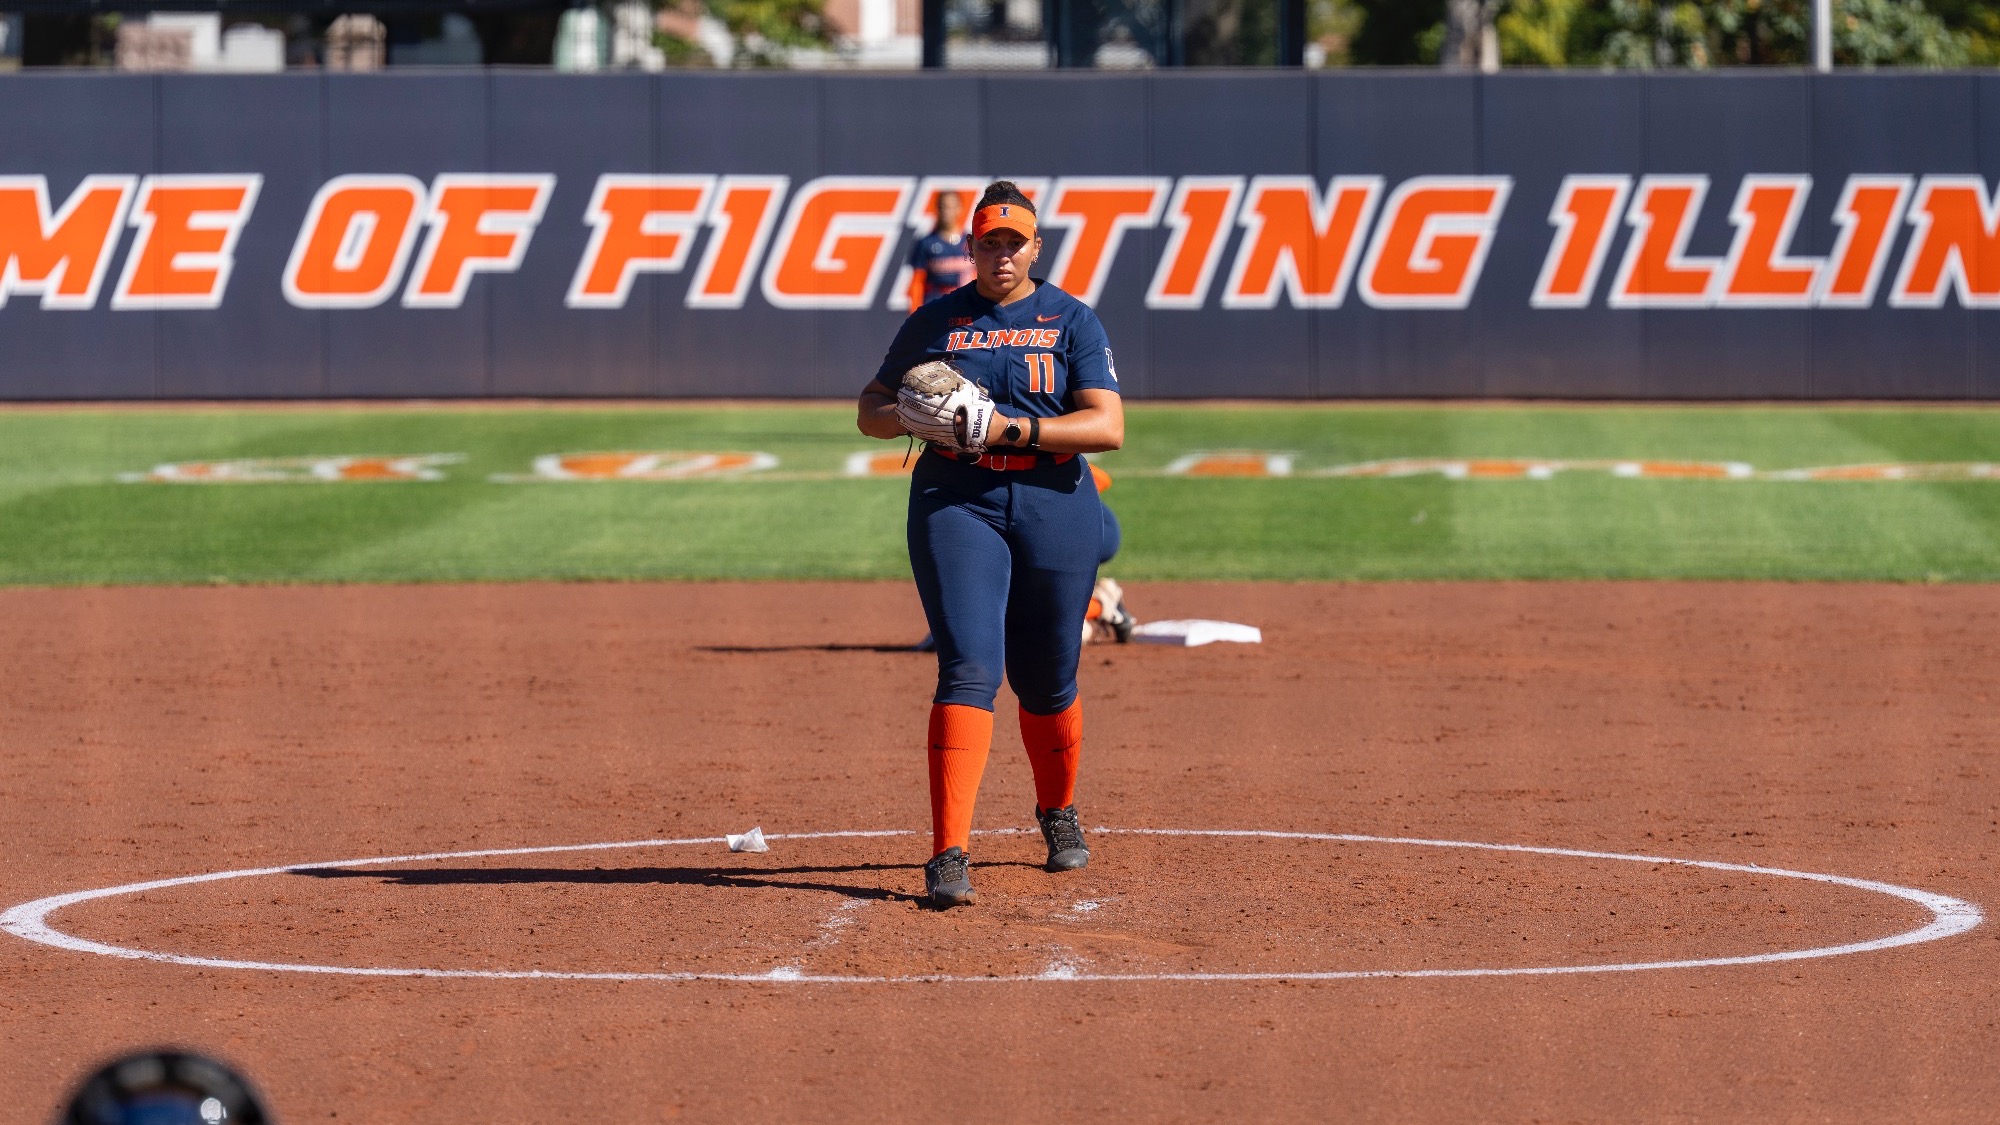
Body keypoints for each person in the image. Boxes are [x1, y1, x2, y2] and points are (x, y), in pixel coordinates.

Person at [857, 180, 1125, 908]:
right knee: (970, 667)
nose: (1001, 254)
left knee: (1047, 675)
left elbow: (1107, 426)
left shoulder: (1071, 319)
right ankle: (948, 853)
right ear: (970, 247)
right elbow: (870, 410)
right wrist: (915, 415)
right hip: (957, 499)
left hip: (1054, 503)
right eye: (988, 242)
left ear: (1037, 247)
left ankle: (1058, 811)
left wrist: (1012, 428)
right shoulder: (937, 319)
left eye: (1015, 242)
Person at [905, 191, 975, 309]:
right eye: (942, 207)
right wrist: (915, 314)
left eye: (951, 207)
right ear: (937, 209)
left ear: (960, 208)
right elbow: (917, 282)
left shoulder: (973, 242)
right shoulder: (926, 242)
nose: (946, 212)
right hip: (935, 305)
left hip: (966, 305)